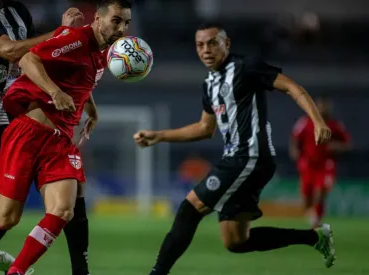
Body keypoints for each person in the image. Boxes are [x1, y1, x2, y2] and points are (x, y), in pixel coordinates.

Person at [133, 24, 336, 275]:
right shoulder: (209, 84)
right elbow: (205, 128)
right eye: (200, 45)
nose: (206, 50)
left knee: (189, 208)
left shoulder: (246, 67)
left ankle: (157, 273)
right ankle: (315, 238)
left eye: (212, 43)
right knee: (236, 241)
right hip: (241, 160)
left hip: (249, 157)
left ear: (226, 44)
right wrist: (159, 136)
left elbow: (293, 88)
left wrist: (317, 120)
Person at [0, 1, 132, 274]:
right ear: (98, 19)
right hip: (20, 130)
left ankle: (21, 271)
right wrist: (53, 92)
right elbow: (26, 57)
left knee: (64, 210)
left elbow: (75, 78)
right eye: (117, 21)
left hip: (60, 141)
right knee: (7, 216)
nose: (121, 29)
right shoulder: (74, 39)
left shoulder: (102, 54)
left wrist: (92, 109)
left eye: (126, 24)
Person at [290, 95, 350, 227]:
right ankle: (312, 216)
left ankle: (317, 221)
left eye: (326, 106)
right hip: (308, 164)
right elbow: (295, 138)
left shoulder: (335, 125)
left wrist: (337, 146)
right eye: (321, 106)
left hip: (326, 164)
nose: (324, 109)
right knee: (306, 200)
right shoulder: (305, 122)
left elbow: (347, 144)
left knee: (321, 192)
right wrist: (294, 150)